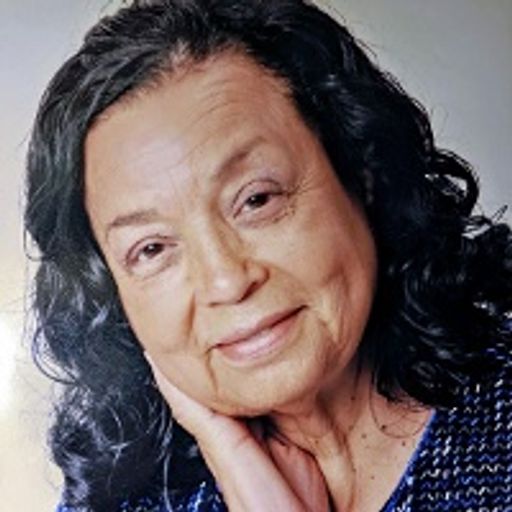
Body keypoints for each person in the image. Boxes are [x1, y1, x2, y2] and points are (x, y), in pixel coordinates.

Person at [25, 0, 512, 510]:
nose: (226, 281)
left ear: (361, 170)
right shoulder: (120, 500)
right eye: (152, 249)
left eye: (256, 200)